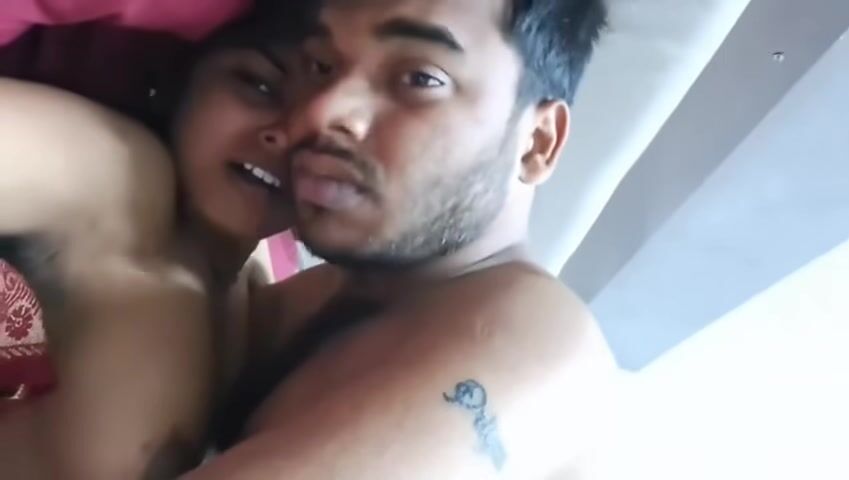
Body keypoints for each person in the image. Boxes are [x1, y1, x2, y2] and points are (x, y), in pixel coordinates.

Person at [188, 0, 618, 478]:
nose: (320, 111)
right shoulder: (304, 296)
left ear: (538, 142)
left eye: (420, 79)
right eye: (321, 67)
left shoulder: (540, 346)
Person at [0, 6, 307, 477]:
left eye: (324, 132)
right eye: (260, 86)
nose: (284, 137)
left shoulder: (270, 286)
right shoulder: (119, 175)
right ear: (186, 83)